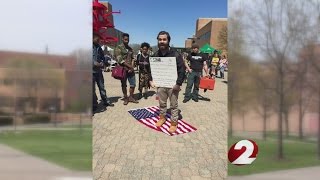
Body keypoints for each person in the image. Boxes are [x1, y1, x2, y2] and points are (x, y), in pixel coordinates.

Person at [149, 31, 186, 133]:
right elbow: (152, 69)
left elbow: (182, 70)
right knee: (162, 103)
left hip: (173, 85)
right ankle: (162, 118)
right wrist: (151, 80)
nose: (162, 41)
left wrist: (178, 84)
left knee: (173, 105)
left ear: (168, 41)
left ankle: (174, 123)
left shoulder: (175, 54)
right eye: (160, 39)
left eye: (164, 39)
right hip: (160, 84)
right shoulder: (156, 54)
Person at [114, 33, 139, 105]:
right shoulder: (118, 48)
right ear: (122, 39)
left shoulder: (130, 48)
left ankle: (131, 97)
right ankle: (125, 98)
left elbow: (133, 58)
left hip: (130, 70)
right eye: (125, 39)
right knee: (124, 84)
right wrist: (129, 66)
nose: (127, 41)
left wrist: (132, 66)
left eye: (128, 39)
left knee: (133, 84)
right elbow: (120, 60)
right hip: (123, 69)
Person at [92, 33, 113, 112]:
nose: (98, 41)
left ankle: (106, 101)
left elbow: (102, 57)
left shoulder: (99, 48)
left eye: (99, 40)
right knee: (92, 90)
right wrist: (94, 63)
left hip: (99, 71)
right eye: (97, 39)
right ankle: (94, 104)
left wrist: (104, 62)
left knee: (102, 87)